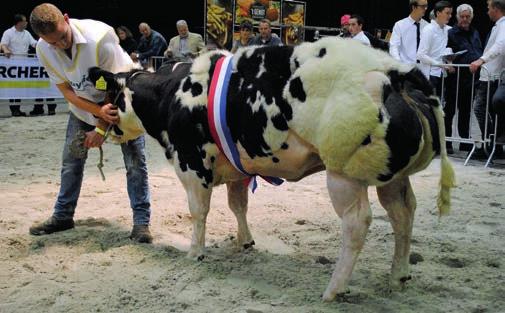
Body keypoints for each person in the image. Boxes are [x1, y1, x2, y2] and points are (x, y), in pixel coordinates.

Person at [28, 3, 153, 243]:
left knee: (135, 162)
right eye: (53, 42)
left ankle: (141, 223)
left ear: (66, 18)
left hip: (124, 100)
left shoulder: (100, 38)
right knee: (71, 160)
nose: (60, 45)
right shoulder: (43, 49)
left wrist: (100, 129)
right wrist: (96, 113)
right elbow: (67, 91)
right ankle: (63, 215)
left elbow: (115, 83)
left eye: (63, 37)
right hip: (84, 107)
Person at [445, 4, 483, 153]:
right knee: (450, 110)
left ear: (471, 17)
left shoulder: (475, 32)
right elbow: (446, 52)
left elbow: (478, 49)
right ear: (457, 17)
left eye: (468, 17)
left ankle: (465, 142)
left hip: (471, 79)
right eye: (462, 17)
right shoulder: (451, 33)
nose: (465, 19)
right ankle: (447, 142)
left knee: (466, 112)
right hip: (455, 78)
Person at [470, 0, 505, 153]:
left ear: (496, 9)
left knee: (479, 108)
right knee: (486, 109)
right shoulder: (499, 25)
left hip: (492, 75)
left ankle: (492, 142)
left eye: (489, 8)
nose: (487, 11)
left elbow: (500, 46)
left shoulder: (503, 25)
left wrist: (481, 60)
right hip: (490, 75)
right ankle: (493, 143)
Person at [1, 14, 41, 117]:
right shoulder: (8, 32)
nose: (26, 23)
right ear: (19, 23)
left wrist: (42, 45)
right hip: (12, 65)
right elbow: (3, 44)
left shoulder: (27, 33)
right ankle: (14, 110)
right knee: (13, 88)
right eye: (25, 21)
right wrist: (5, 49)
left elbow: (34, 43)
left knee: (20, 88)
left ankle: (18, 109)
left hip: (24, 65)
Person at [417, 0, 453, 94]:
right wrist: (439, 64)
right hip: (430, 74)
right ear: (438, 13)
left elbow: (445, 49)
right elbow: (421, 54)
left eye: (451, 13)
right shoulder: (428, 30)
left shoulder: (447, 29)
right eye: (447, 13)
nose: (450, 16)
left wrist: (449, 61)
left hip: (442, 74)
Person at [389, 0, 430, 65]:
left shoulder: (427, 26)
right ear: (413, 7)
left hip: (424, 68)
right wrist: (399, 64)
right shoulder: (400, 25)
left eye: (426, 6)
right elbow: (394, 46)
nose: (425, 9)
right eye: (423, 6)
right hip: (406, 67)